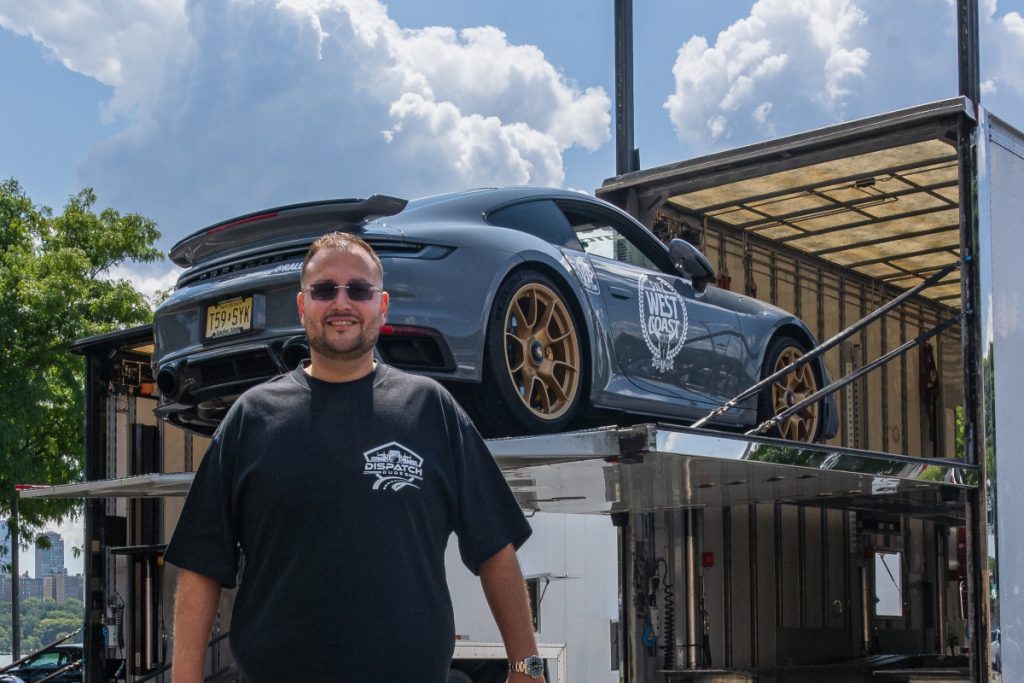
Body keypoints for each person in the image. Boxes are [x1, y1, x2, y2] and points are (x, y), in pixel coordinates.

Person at [166, 232, 546, 682]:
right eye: (324, 289)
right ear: (302, 306)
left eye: (359, 290)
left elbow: (495, 550)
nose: (341, 302)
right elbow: (201, 567)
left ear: (382, 306)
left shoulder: (430, 410)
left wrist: (528, 668)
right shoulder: (251, 418)